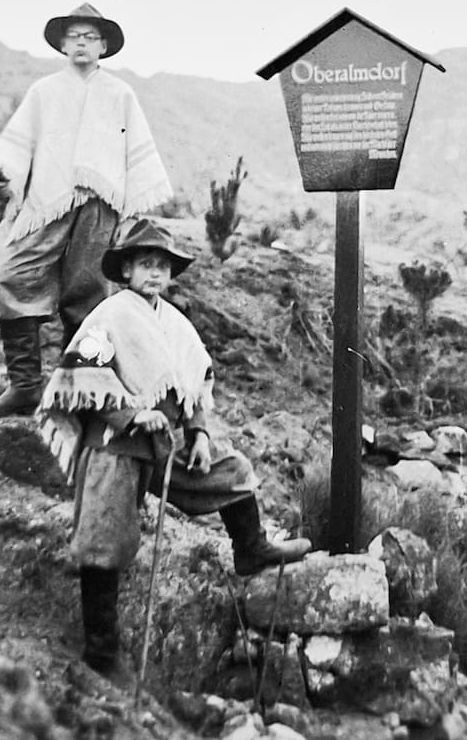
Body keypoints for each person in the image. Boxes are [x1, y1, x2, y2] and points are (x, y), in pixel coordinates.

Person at [38, 217, 312, 680]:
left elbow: (194, 381)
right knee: (103, 542)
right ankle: (101, 653)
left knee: (232, 471)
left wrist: (199, 434)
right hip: (116, 446)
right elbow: (83, 379)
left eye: (162, 266)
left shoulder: (175, 322)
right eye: (145, 264)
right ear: (124, 271)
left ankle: (251, 548)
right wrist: (129, 414)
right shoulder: (109, 315)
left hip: (165, 445)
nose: (155, 274)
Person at [0, 3, 173, 419]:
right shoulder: (44, 91)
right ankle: (25, 386)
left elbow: (136, 154)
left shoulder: (120, 93)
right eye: (75, 36)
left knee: (89, 295)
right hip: (46, 202)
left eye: (90, 37)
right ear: (63, 43)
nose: (82, 43)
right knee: (12, 272)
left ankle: (76, 391)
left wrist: (129, 207)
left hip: (99, 205)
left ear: (103, 46)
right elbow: (17, 143)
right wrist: (4, 173)